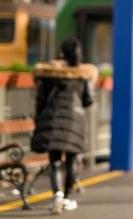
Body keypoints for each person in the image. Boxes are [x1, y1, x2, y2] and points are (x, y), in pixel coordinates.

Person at [31, 38, 97, 215]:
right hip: (75, 120)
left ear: (61, 52)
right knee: (71, 159)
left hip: (52, 118)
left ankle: (57, 194)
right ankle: (67, 197)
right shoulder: (83, 74)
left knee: (53, 159)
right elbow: (89, 99)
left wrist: (38, 120)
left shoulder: (48, 72)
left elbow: (40, 99)